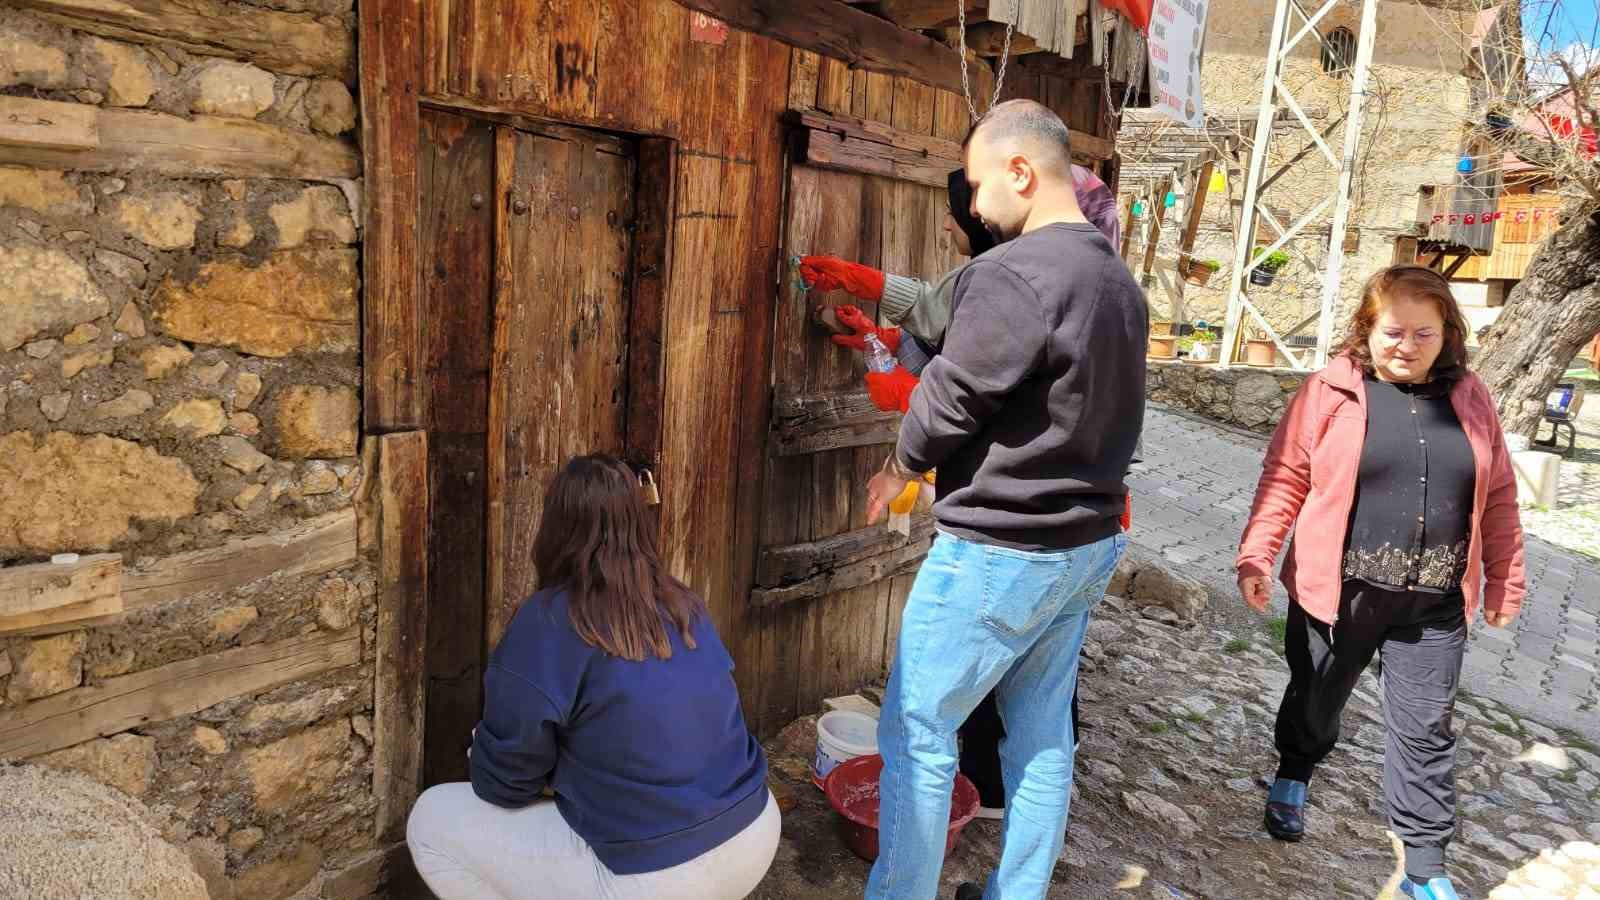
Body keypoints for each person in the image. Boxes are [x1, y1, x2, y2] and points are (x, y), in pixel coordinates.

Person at [862, 99, 1145, 900]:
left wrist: (899, 465)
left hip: (1001, 550)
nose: (977, 207)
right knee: (1041, 736)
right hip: (1085, 544)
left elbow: (951, 397)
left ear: (1021, 171)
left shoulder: (1014, 273)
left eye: (980, 184)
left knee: (919, 731)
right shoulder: (1117, 280)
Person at [798, 167, 1125, 822]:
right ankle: (1018, 794)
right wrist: (889, 341)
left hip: (1023, 527)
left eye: (966, 206)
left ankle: (980, 792)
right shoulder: (1092, 286)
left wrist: (909, 408)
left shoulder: (1029, 284)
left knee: (958, 684)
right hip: (1081, 528)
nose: (955, 219)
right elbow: (945, 328)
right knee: (1037, 689)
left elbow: (981, 388)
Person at [1236, 265, 1526, 900]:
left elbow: (1499, 493)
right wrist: (1257, 556)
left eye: (1425, 334)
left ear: (1447, 335)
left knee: (1426, 732)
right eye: (1394, 332)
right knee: (1315, 698)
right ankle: (1296, 769)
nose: (1409, 346)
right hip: (1340, 595)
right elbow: (1285, 477)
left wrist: (1505, 580)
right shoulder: (1329, 391)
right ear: (1366, 330)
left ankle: (1426, 867)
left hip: (1435, 601)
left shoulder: (1471, 396)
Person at [406, 455, 779, 900]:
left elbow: (504, 784)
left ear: (554, 527)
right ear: (638, 522)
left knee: (429, 821)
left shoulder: (548, 620)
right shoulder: (683, 602)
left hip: (657, 877)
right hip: (754, 831)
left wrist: (492, 754)